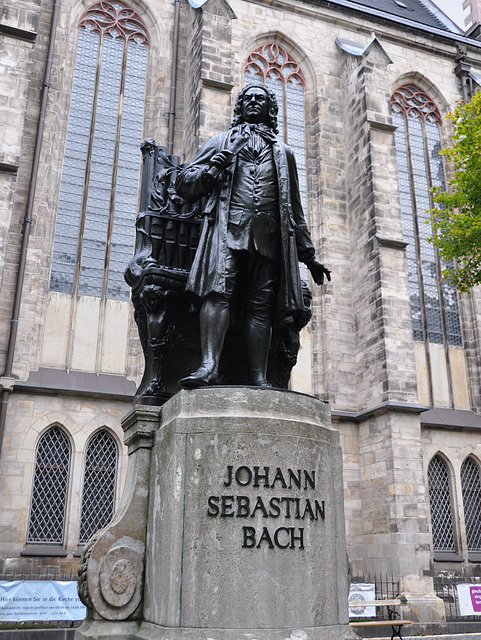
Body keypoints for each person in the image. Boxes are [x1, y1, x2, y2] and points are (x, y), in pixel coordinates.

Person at [175, 83, 330, 388]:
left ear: (271, 108)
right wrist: (213, 170)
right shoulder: (220, 142)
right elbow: (184, 184)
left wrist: (309, 257)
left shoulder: (284, 153)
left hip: (269, 239)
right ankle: (209, 366)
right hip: (227, 231)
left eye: (261, 98)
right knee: (217, 292)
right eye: (248, 98)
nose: (254, 102)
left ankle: (259, 377)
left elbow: (294, 210)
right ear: (240, 107)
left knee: (262, 306)